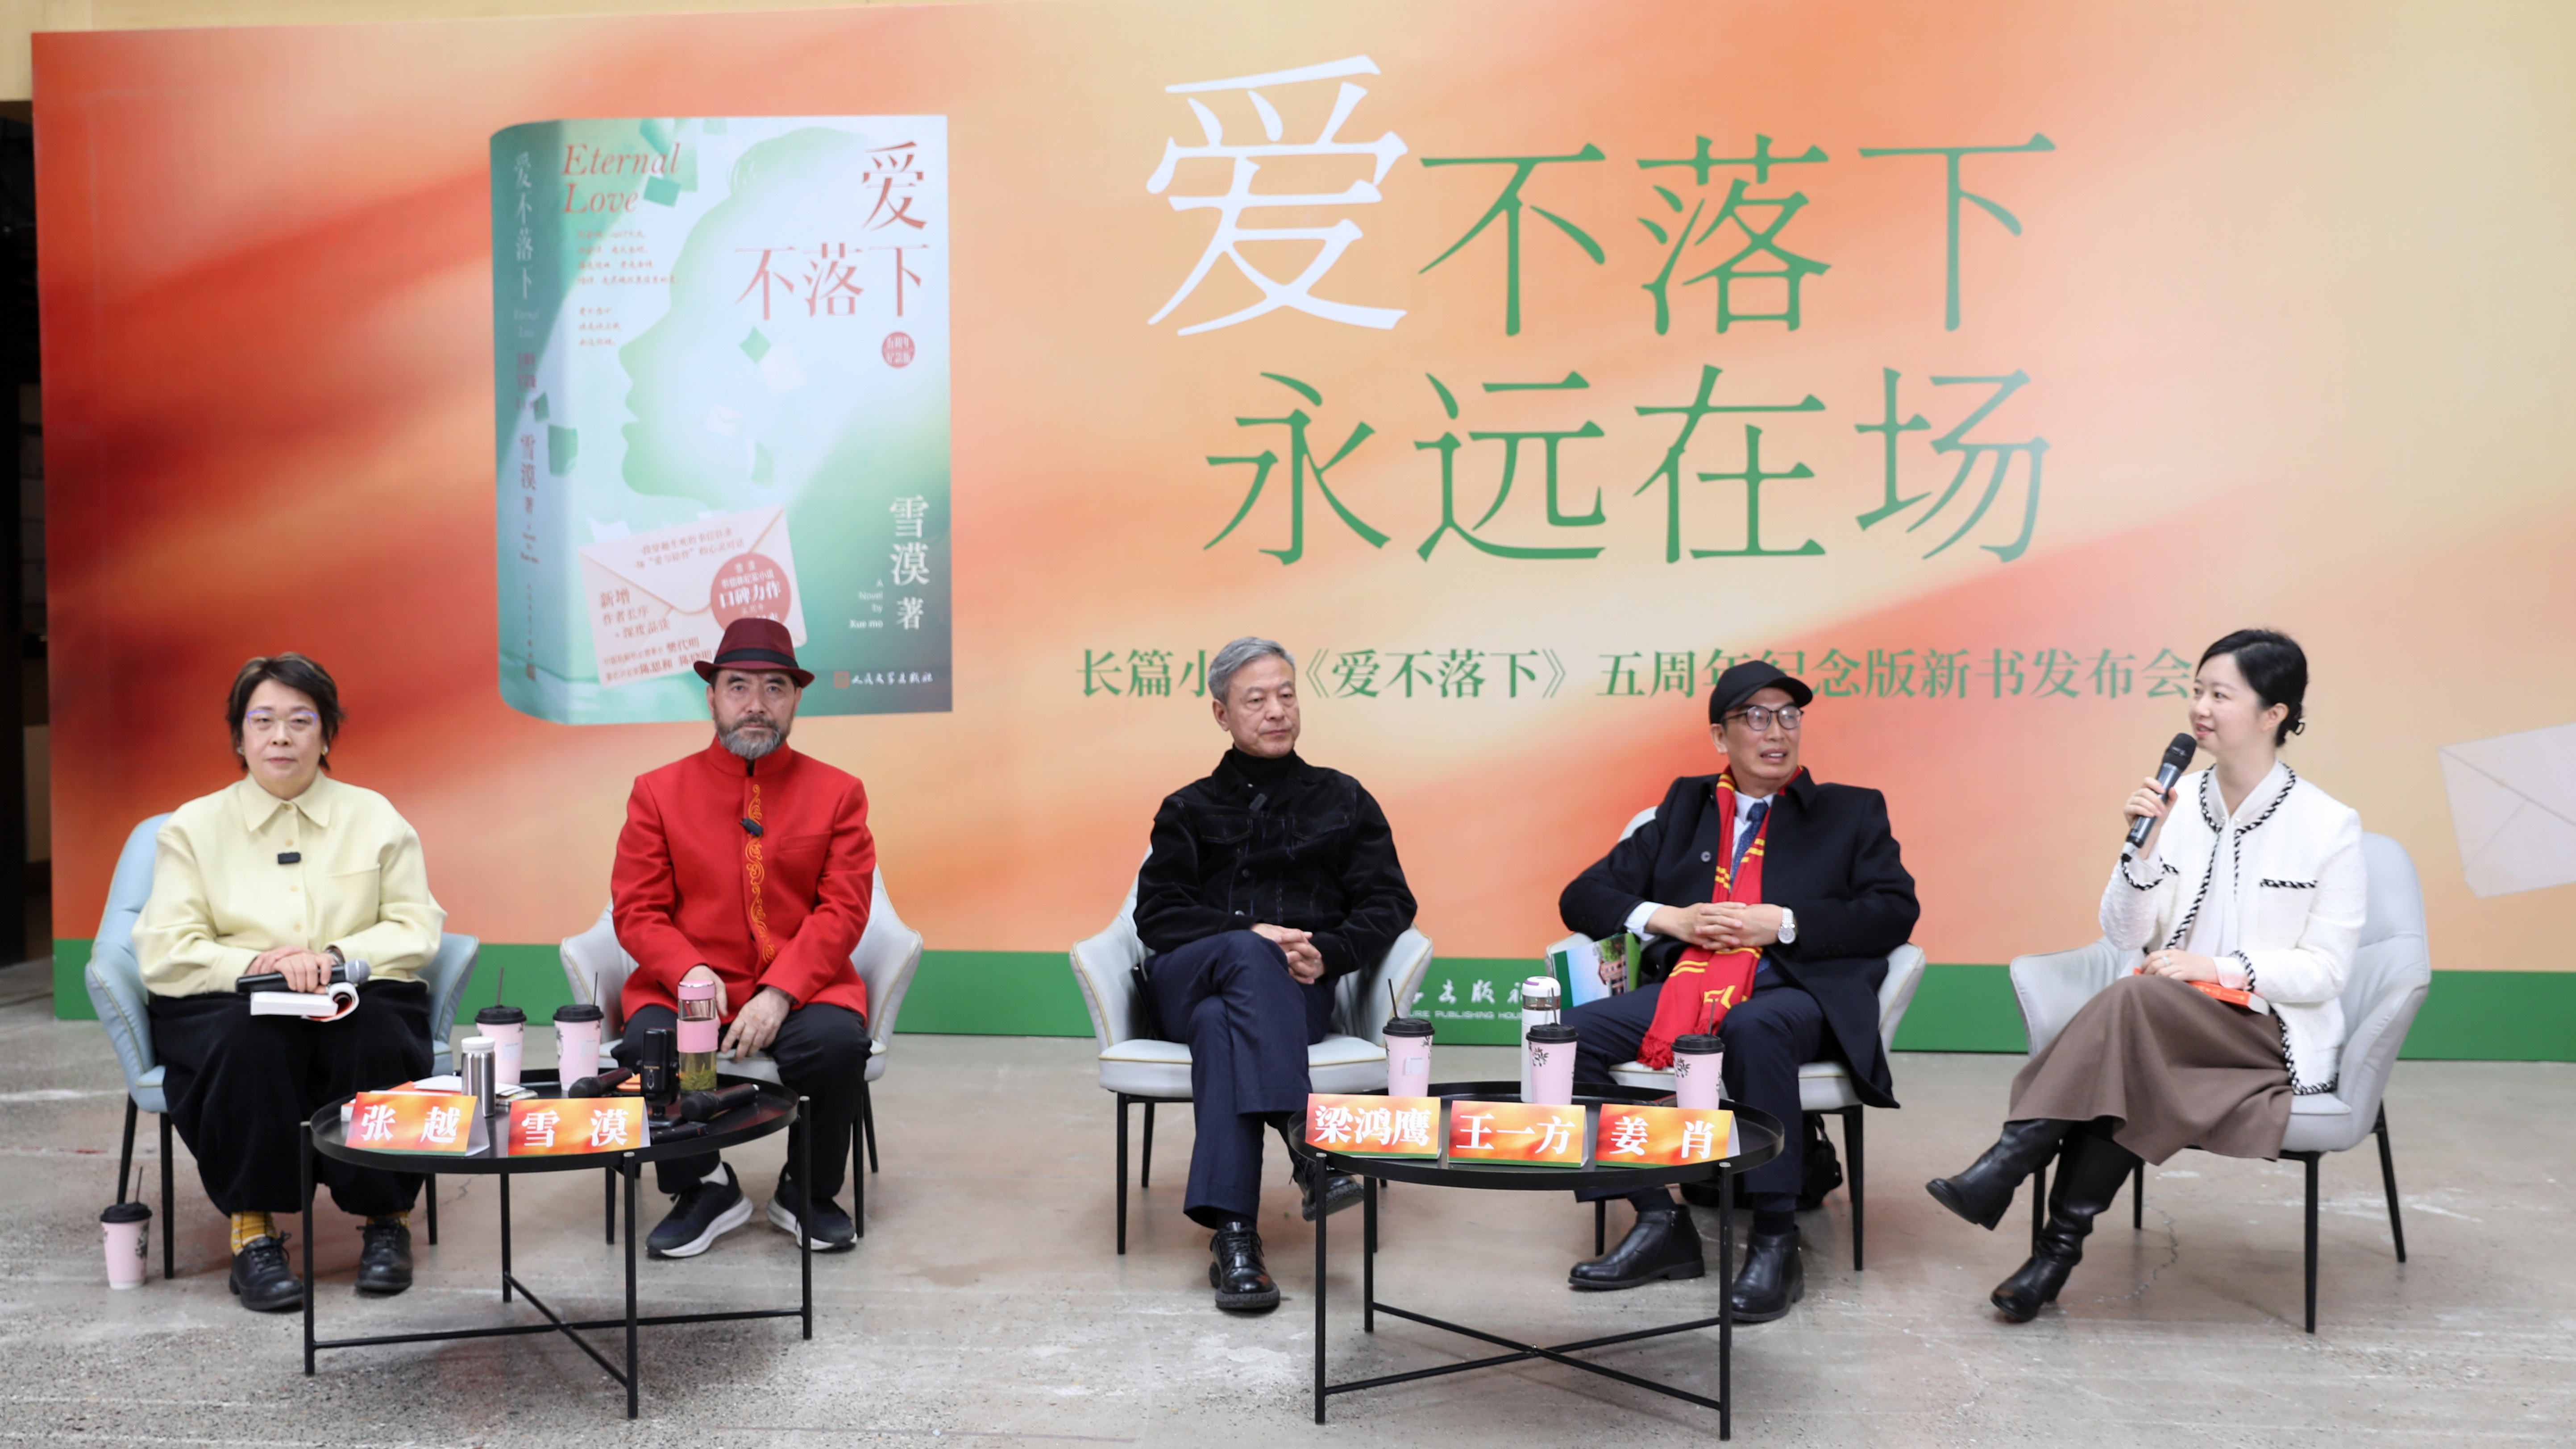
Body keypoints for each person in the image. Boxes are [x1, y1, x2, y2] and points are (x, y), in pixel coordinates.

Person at [1926, 629, 2363, 1322]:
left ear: (2274, 714)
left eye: (2221, 695)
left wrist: (2214, 968)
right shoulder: (2176, 801)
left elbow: (2327, 971)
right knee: (2130, 1044)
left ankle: (2009, 1164)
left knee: (2132, 1004)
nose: (2200, 708)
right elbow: (2124, 934)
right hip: (2164, 1021)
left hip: (2260, 1034)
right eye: (2196, 691)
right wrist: (2142, 849)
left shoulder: (2329, 825)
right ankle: (2051, 1257)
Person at [1558, 660, 1919, 1320]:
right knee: (1566, 1039)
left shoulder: (1850, 810)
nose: (1776, 731)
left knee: (1754, 1027)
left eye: (1789, 715)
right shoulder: (1685, 807)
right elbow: (1582, 895)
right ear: (1720, 737)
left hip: (1794, 987)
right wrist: (1669, 918)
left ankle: (1776, 1242)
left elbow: (1895, 912)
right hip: (1692, 987)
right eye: (1756, 717)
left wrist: (1783, 924)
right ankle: (1658, 1220)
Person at [138, 654, 447, 1313]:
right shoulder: (192, 827)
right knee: (250, 1042)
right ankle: (253, 1232)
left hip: (349, 987)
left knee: (375, 1035)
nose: (281, 737)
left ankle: (387, 1219)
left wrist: (333, 957)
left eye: (301, 721)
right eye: (263, 721)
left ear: (326, 735)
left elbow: (417, 928)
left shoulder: (375, 816)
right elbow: (166, 950)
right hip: (232, 997)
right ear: (239, 737)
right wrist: (259, 966)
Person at [1134, 637, 1418, 1314]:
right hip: (1190, 980)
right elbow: (1158, 915)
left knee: (1222, 1028)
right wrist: (1249, 934)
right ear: (1222, 714)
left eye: (1287, 695)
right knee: (1244, 953)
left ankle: (1235, 1240)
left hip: (1292, 994)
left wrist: (1332, 952)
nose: (1276, 711)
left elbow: (1390, 902)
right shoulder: (1187, 807)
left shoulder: (1344, 799)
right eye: (1256, 699)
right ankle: (1308, 1142)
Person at [611, 617, 878, 1258]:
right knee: (652, 1044)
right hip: (688, 986)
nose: (756, 703)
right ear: (712, 697)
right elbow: (638, 909)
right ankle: (703, 1185)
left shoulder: (838, 793)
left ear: (796, 700)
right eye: (738, 686)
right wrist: (690, 975)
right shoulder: (658, 792)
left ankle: (807, 1189)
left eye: (774, 687)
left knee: (836, 1045)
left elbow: (844, 909)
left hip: (803, 989)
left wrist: (780, 992)